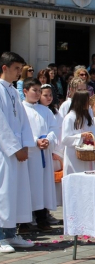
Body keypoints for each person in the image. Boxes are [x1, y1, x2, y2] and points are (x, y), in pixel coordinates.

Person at [0, 52, 35, 252]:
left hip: (17, 150)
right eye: (15, 69)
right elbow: (1, 124)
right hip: (4, 152)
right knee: (3, 192)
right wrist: (14, 148)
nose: (18, 73)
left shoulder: (13, 91)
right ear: (4, 68)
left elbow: (22, 121)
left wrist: (25, 145)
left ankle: (11, 233)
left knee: (15, 192)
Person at [22, 78, 58, 232]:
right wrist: (35, 141)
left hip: (43, 154)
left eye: (39, 91)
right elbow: (21, 130)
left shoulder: (46, 110)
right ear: (25, 91)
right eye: (34, 90)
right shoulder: (21, 109)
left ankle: (42, 219)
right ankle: (24, 222)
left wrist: (48, 139)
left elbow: (54, 128)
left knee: (42, 187)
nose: (37, 94)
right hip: (29, 155)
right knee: (28, 186)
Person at [61, 91, 95, 175]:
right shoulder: (69, 118)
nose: (89, 104)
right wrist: (81, 136)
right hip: (74, 157)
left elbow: (94, 133)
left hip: (87, 156)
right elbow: (65, 139)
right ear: (81, 102)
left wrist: (90, 137)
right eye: (87, 101)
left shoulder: (87, 117)